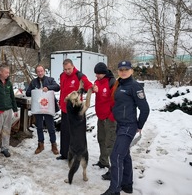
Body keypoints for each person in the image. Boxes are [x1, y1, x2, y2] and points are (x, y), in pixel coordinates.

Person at [101, 61, 150, 195]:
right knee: (125, 156)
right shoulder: (119, 84)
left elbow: (145, 109)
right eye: (121, 69)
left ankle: (114, 190)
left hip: (128, 126)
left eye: (126, 69)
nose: (123, 71)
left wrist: (139, 125)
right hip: (120, 124)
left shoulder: (135, 86)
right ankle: (127, 185)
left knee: (116, 156)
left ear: (131, 71)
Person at [57, 59, 93, 160]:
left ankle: (77, 154)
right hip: (65, 108)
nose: (67, 71)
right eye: (65, 69)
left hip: (76, 110)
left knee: (76, 134)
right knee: (65, 132)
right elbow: (62, 90)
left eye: (69, 69)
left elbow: (88, 85)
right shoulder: (62, 75)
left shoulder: (79, 75)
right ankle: (64, 153)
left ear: (73, 66)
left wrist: (92, 88)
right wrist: (60, 102)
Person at [26, 64, 60, 155]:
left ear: (44, 71)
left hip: (48, 107)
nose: (40, 73)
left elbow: (57, 87)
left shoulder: (50, 80)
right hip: (38, 107)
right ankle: (40, 144)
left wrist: (48, 88)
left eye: (41, 71)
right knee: (39, 127)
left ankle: (54, 145)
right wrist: (35, 90)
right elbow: (28, 93)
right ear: (36, 72)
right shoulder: (33, 82)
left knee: (51, 127)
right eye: (38, 71)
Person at [92, 62, 116, 180]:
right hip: (100, 116)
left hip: (109, 118)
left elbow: (116, 101)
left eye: (98, 74)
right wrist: (92, 89)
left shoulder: (112, 82)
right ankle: (103, 161)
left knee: (110, 143)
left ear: (104, 73)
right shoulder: (97, 82)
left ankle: (113, 169)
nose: (97, 76)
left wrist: (112, 115)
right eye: (96, 74)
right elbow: (94, 91)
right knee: (101, 139)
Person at [0, 64, 18, 161]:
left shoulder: (9, 83)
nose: (8, 74)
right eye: (6, 72)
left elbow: (12, 97)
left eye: (8, 72)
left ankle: (5, 148)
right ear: (0, 72)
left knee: (6, 130)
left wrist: (15, 109)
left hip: (8, 110)